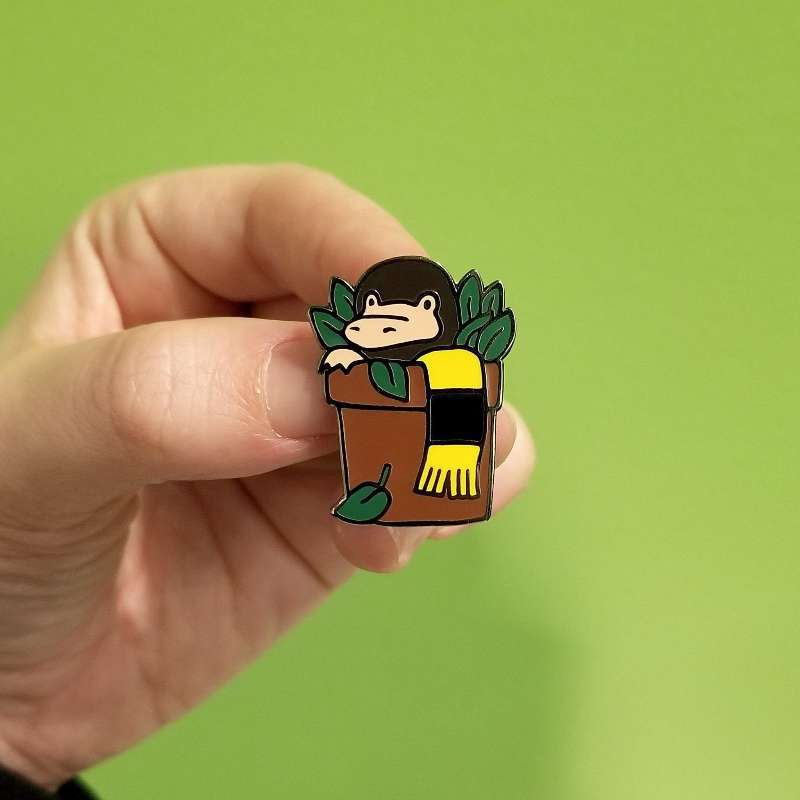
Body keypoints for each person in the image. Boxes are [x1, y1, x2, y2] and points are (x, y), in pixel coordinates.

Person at [0, 165, 535, 798]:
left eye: (389, 324)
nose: (371, 329)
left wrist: (16, 727)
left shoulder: (453, 364)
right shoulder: (359, 358)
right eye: (368, 318)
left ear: (427, 315)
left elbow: (461, 376)